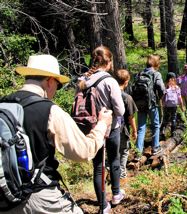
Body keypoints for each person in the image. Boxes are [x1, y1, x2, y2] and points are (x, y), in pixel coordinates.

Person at [0, 54, 113, 214]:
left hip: (5, 196)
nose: (56, 91)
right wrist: (102, 123)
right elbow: (83, 152)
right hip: (39, 196)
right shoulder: (49, 110)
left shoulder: (4, 104)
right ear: (50, 81)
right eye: (58, 86)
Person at [77, 45, 125, 213]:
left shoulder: (83, 79)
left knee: (98, 166)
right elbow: (120, 110)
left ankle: (103, 205)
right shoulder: (110, 81)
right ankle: (116, 194)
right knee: (114, 161)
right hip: (110, 127)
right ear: (108, 62)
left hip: (90, 128)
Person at [135, 55, 165, 158]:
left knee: (141, 128)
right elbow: (161, 87)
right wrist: (160, 97)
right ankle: (155, 147)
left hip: (140, 104)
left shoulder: (139, 74)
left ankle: (138, 152)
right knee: (155, 125)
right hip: (152, 103)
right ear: (156, 64)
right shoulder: (156, 74)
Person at [114, 69, 138, 178]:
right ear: (127, 81)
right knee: (123, 151)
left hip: (109, 128)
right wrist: (134, 130)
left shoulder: (110, 95)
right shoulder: (127, 98)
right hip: (122, 129)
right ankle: (121, 174)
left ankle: (113, 171)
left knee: (113, 151)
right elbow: (131, 117)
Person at [161, 72, 184, 138]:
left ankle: (162, 132)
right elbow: (180, 98)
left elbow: (163, 97)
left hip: (167, 105)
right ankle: (173, 133)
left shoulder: (165, 86)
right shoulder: (177, 88)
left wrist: (162, 105)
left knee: (165, 119)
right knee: (173, 119)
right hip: (174, 105)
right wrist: (182, 107)